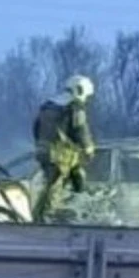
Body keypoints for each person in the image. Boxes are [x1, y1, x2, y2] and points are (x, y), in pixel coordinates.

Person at [31, 74, 97, 223]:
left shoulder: (48, 105)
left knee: (49, 186)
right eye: (87, 96)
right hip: (60, 155)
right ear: (80, 90)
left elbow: (35, 127)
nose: (86, 100)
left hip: (43, 151)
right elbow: (80, 129)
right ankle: (46, 221)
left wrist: (41, 144)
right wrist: (88, 148)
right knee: (55, 188)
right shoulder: (74, 106)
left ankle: (40, 217)